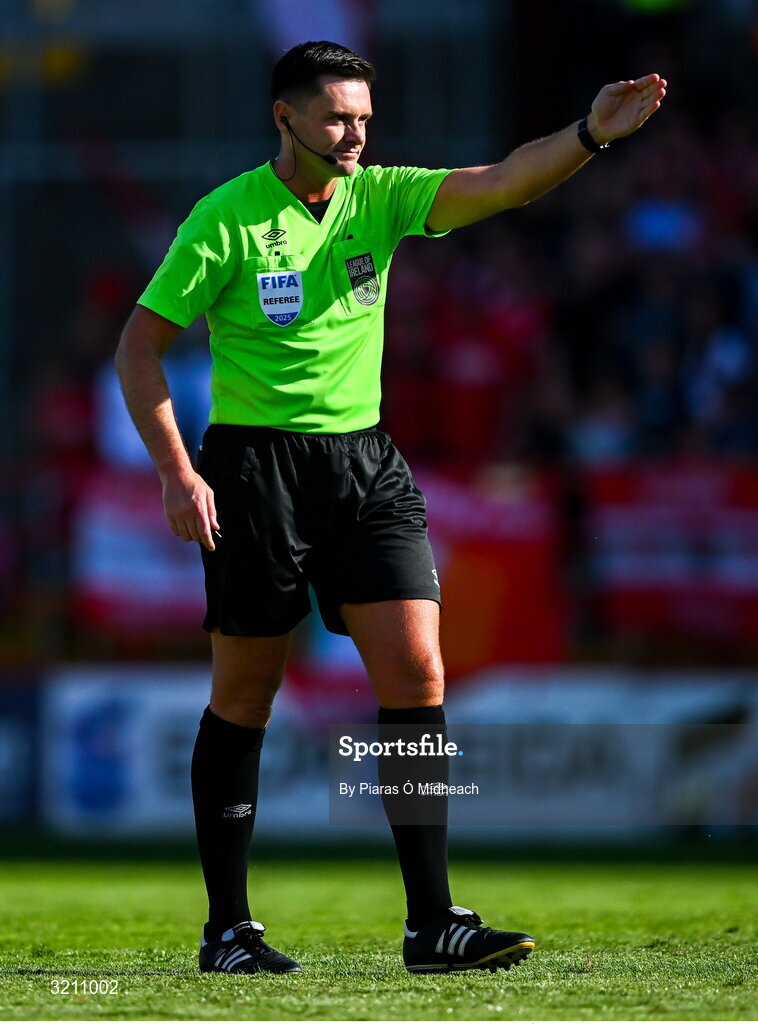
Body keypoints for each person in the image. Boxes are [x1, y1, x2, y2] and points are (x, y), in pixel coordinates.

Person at [115, 40, 666, 976]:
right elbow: (140, 349)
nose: (356, 135)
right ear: (284, 118)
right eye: (337, 118)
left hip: (367, 463)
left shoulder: (382, 195)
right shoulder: (227, 218)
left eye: (364, 118)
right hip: (255, 469)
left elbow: (501, 183)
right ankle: (229, 930)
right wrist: (178, 472)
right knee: (245, 695)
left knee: (417, 673)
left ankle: (433, 923)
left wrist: (588, 134)